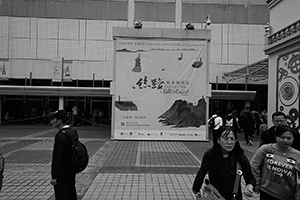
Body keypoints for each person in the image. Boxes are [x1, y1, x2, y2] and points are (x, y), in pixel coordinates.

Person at [192, 126, 255, 200]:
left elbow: (250, 177)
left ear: (236, 141)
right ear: (218, 140)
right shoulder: (210, 156)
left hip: (234, 197)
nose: (229, 142)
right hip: (214, 196)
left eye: (232, 139)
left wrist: (249, 185)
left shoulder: (239, 156)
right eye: (225, 139)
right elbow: (201, 173)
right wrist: (196, 190)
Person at [250, 125, 300, 200]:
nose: (285, 141)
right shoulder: (265, 149)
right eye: (282, 137)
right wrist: (257, 182)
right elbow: (254, 165)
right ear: (276, 137)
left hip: (288, 195)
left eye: (289, 138)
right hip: (266, 192)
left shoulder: (297, 155)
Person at [48, 110, 78, 200]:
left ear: (59, 121)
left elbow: (57, 158)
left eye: (53, 119)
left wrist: (54, 176)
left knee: (62, 195)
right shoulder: (73, 131)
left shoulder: (60, 136)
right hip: (72, 168)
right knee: (71, 192)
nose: (51, 121)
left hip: (62, 171)